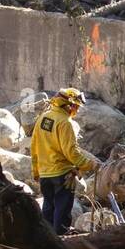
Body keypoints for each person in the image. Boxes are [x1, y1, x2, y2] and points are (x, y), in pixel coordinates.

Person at [30, 88, 99, 235]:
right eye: (76, 107)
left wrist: (36, 171)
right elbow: (71, 152)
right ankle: (61, 243)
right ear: (68, 105)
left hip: (45, 175)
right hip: (62, 176)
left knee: (48, 208)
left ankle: (47, 240)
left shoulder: (43, 118)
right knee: (62, 210)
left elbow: (34, 146)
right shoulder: (65, 123)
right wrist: (89, 164)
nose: (77, 111)